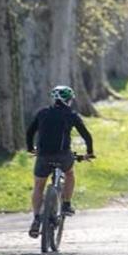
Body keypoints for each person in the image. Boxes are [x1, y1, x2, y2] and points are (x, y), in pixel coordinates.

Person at [26, 85, 95, 238]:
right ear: (69, 100)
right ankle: (66, 204)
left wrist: (31, 148)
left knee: (38, 186)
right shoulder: (71, 114)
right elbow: (86, 135)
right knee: (69, 173)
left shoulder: (42, 113)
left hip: (43, 156)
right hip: (63, 156)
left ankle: (37, 218)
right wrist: (90, 153)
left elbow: (30, 132)